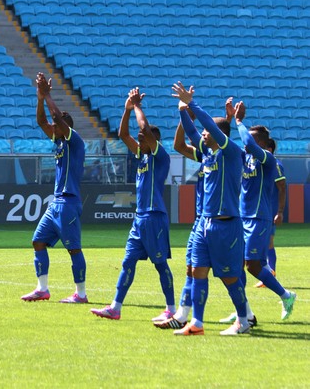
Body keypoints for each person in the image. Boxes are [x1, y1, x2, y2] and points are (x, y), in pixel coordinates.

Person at [170, 82, 249, 335]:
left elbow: (208, 126)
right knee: (197, 270)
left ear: (218, 135)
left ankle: (243, 321)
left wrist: (192, 104)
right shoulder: (209, 155)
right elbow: (190, 136)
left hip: (226, 224)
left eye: (207, 131)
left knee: (229, 278)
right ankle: (197, 324)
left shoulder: (231, 153)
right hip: (206, 223)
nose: (202, 134)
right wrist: (183, 109)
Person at [90, 88, 175, 321]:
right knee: (128, 262)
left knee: (160, 265)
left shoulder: (160, 157)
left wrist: (138, 105)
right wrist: (127, 109)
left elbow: (145, 129)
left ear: (154, 141)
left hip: (154, 217)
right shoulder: (142, 156)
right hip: (140, 219)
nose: (138, 138)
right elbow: (122, 133)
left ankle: (172, 308)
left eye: (143, 137)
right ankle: (115, 307)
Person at [218, 104, 296, 323]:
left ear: (261, 144)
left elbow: (282, 187)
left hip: (258, 218)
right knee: (236, 265)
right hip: (242, 218)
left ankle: (286, 295)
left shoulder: (268, 160)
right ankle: (244, 311)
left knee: (253, 265)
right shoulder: (247, 158)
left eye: (252, 141)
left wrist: (239, 121)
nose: (247, 143)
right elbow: (226, 145)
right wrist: (228, 119)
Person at [20, 72, 88, 304]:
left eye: (56, 125)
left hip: (69, 202)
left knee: (73, 249)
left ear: (65, 127)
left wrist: (49, 96)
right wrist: (40, 98)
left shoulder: (74, 140)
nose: (52, 127)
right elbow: (41, 121)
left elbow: (56, 118)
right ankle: (42, 289)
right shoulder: (59, 140)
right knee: (38, 241)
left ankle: (80, 294)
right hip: (56, 202)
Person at [155, 113, 204, 329]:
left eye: (205, 133)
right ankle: (182, 316)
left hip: (220, 222)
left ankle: (245, 314)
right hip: (201, 222)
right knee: (191, 268)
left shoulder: (227, 155)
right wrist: (184, 120)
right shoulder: (205, 157)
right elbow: (179, 145)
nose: (201, 136)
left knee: (232, 274)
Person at [254, 138, 286, 288]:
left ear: (269, 149)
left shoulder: (276, 165)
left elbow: (282, 187)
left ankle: (270, 274)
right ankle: (268, 274)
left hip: (269, 211)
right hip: (258, 211)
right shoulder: (259, 165)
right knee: (265, 244)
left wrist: (279, 211)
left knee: (268, 243)